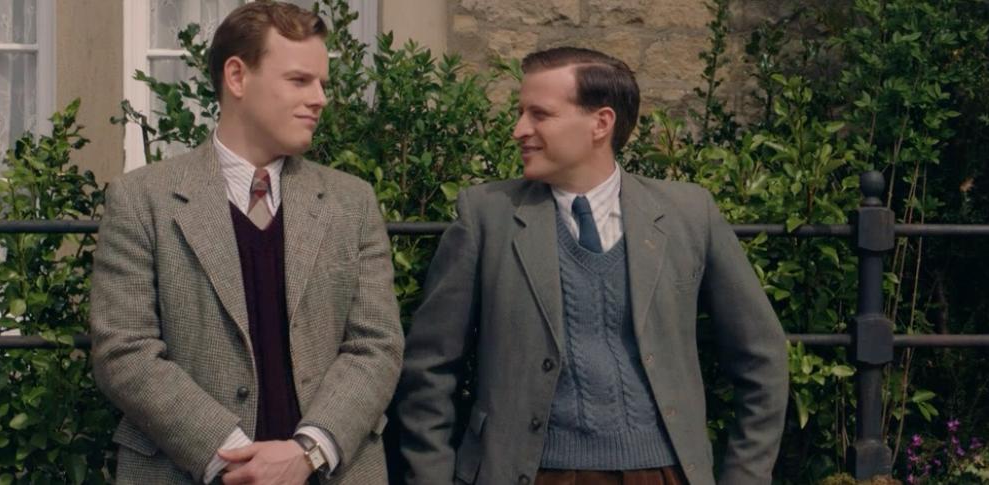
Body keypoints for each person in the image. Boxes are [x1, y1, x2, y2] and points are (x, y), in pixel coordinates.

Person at [397, 46, 788, 485]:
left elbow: (763, 356)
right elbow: (429, 370)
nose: (518, 129)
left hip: (661, 474)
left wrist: (746, 477)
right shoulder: (486, 216)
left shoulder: (688, 214)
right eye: (520, 112)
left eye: (539, 114)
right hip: (527, 473)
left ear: (600, 123)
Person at [90, 3, 402, 484]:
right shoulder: (142, 199)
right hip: (187, 471)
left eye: (322, 83)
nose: (320, 98)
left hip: (329, 472)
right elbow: (123, 350)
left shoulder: (350, 202)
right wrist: (232, 455)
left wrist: (306, 452)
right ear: (237, 76)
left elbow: (376, 346)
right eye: (300, 80)